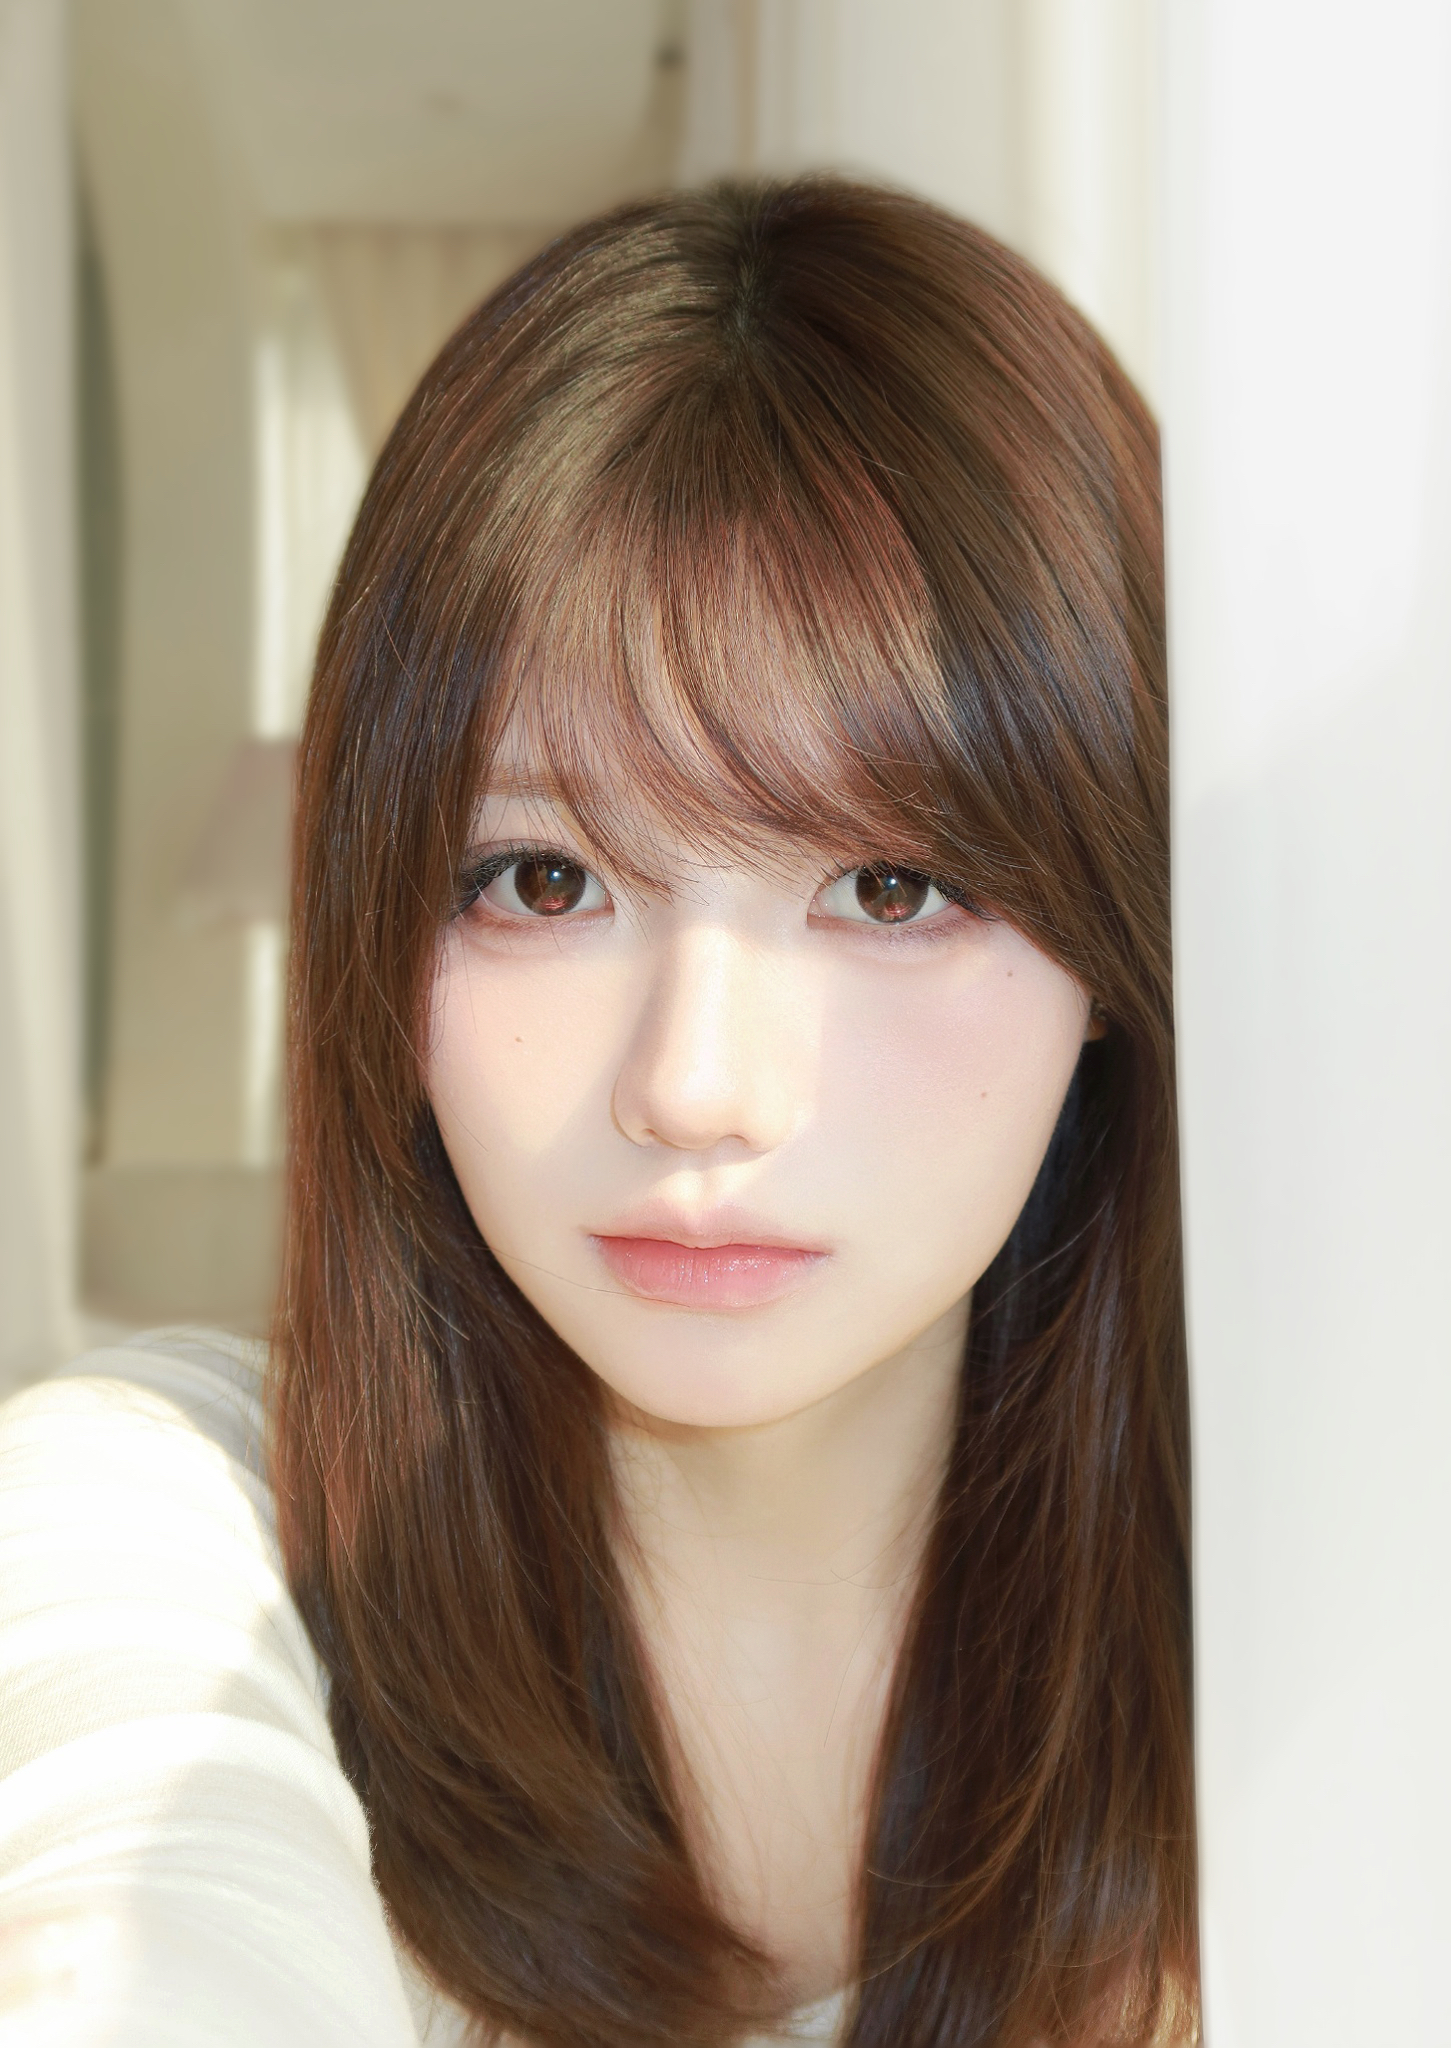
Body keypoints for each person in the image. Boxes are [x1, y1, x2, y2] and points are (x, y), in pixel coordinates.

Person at [0, 178, 1196, 2046]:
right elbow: (139, 1895)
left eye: (889, 888)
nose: (695, 1087)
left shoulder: (1340, 1595)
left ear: (1114, 943)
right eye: (544, 883)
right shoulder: (161, 1516)